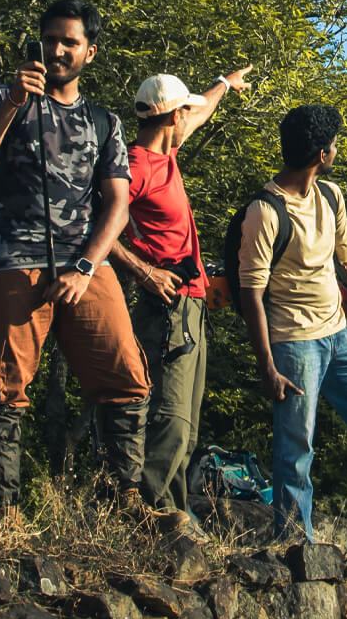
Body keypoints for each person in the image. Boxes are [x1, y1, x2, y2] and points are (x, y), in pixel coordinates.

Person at [0, 0, 147, 518]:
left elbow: (118, 206)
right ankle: (1, 509)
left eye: (70, 42)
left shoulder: (103, 121)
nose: (57, 49)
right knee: (1, 386)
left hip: (84, 265)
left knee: (125, 374)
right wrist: (13, 103)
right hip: (9, 259)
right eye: (50, 39)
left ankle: (122, 500)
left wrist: (86, 266)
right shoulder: (1, 97)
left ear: (91, 51)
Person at [236, 104, 347, 546]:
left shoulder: (330, 196)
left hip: (338, 334)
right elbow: (251, 294)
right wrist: (267, 366)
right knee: (297, 446)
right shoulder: (266, 211)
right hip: (293, 342)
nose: (336, 150)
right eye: (333, 144)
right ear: (321, 153)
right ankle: (295, 542)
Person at [108, 67, 252, 515]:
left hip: (192, 304)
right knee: (170, 420)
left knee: (186, 428)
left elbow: (202, 109)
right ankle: (142, 517)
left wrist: (225, 85)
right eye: (183, 110)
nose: (190, 115)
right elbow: (97, 228)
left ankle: (173, 517)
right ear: (172, 117)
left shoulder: (166, 149)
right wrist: (143, 272)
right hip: (166, 307)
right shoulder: (135, 166)